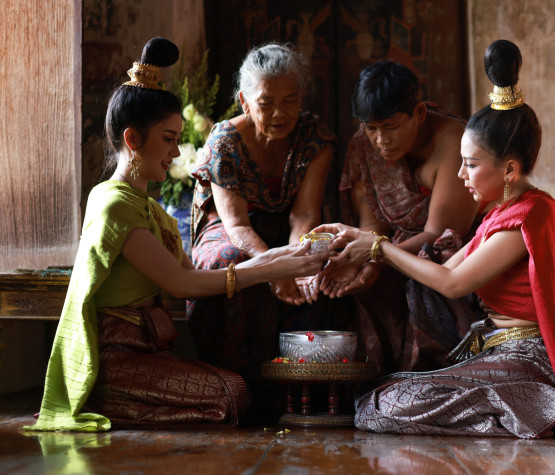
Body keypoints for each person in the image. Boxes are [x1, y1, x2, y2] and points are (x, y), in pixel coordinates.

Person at [313, 40, 555, 439]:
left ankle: (552, 412)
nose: (460, 176)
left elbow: (453, 285)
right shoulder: (500, 214)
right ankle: (530, 409)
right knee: (378, 398)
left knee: (383, 407)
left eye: (470, 165)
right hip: (498, 350)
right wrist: (365, 241)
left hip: (528, 359)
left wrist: (377, 247)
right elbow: (444, 270)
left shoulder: (530, 214)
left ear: (509, 169)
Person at [24, 38, 330, 432]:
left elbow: (193, 282)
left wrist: (280, 261)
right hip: (113, 358)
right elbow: (184, 282)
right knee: (233, 395)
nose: (177, 151)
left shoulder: (152, 210)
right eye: (168, 139)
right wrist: (270, 269)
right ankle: (99, 394)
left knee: (234, 392)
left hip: (148, 352)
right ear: (133, 140)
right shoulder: (112, 203)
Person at [186, 43, 346, 403]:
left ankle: (302, 393)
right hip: (229, 229)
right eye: (266, 103)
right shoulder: (225, 140)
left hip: (289, 227)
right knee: (227, 260)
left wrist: (299, 260)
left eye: (290, 100)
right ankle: (232, 391)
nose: (280, 113)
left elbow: (304, 215)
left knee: (324, 263)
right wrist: (276, 268)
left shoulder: (314, 138)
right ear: (244, 101)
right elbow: (238, 225)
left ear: (301, 96)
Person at [322, 60, 483, 372]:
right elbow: (371, 225)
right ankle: (379, 379)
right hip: (387, 249)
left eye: (391, 127)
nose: (381, 141)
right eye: (372, 129)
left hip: (447, 256)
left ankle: (437, 374)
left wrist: (373, 257)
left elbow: (441, 236)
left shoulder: (454, 143)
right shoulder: (364, 145)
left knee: (428, 263)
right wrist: (366, 262)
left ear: (419, 113)